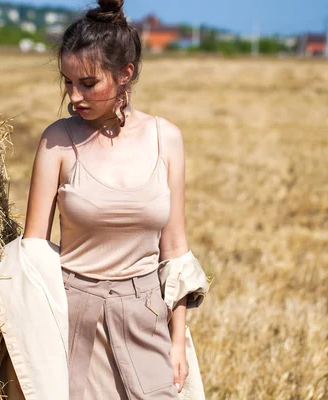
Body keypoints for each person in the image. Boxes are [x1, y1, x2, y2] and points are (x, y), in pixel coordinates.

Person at [22, 1, 199, 398]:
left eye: (88, 83)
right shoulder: (57, 140)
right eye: (67, 82)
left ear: (125, 74)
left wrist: (177, 341)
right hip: (70, 325)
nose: (74, 96)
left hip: (146, 322)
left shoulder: (166, 138)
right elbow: (33, 252)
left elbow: (175, 251)